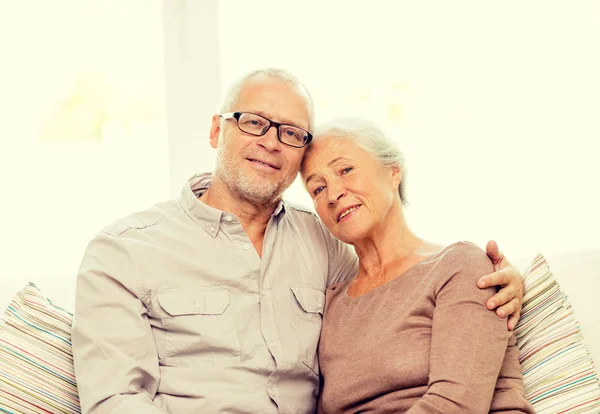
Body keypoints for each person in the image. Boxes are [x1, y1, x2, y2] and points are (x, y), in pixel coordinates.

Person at [72, 68, 525, 414]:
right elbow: (116, 400)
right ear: (215, 131)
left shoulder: (325, 243)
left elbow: (402, 288)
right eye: (253, 122)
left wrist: (504, 280)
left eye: (291, 132)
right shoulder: (124, 251)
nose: (271, 142)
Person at [300, 117, 534, 413]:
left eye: (345, 170)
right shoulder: (331, 305)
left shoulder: (459, 265)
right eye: (318, 189)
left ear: (393, 172)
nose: (333, 194)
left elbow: (456, 403)